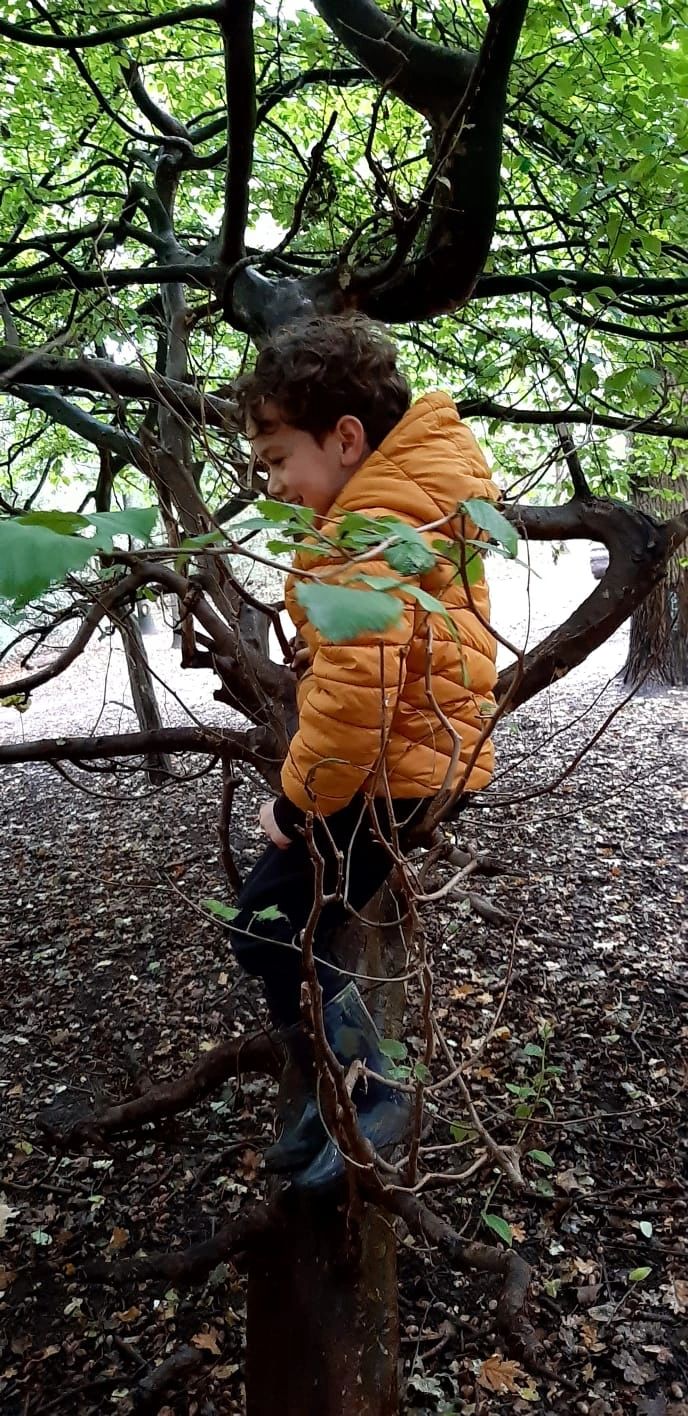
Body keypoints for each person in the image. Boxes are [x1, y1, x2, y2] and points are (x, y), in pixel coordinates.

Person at [229, 313, 499, 1190]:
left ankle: (372, 1091)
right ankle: (337, 1086)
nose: (273, 484)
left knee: (267, 920)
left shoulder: (370, 526)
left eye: (278, 460)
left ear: (346, 439)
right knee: (295, 921)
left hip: (392, 769)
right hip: (421, 757)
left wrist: (295, 800)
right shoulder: (409, 496)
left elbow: (355, 696)